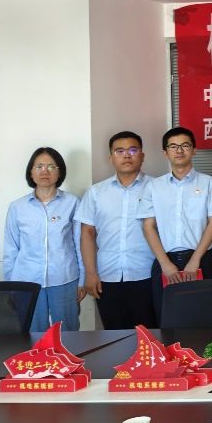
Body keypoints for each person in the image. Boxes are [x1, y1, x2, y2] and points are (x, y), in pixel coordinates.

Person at [139, 126, 212, 320]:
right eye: (173, 146)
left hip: (202, 259)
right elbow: (148, 227)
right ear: (165, 153)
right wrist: (165, 263)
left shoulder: (210, 184)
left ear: (194, 150)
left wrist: (195, 261)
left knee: (203, 316)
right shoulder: (154, 187)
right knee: (167, 317)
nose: (179, 150)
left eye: (185, 145)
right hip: (166, 261)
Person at [77, 132, 156, 328]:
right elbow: (87, 233)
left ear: (142, 155)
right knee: (114, 334)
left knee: (150, 335)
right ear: (110, 157)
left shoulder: (157, 187)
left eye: (133, 150)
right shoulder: (96, 192)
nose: (127, 155)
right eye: (119, 151)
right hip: (107, 275)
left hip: (147, 273)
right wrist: (90, 273)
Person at [3, 146, 82, 330]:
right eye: (39, 166)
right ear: (31, 172)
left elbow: (80, 244)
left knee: (67, 332)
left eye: (51, 166)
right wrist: (11, 286)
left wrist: (83, 279)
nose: (45, 171)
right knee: (33, 334)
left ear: (60, 172)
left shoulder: (72, 203)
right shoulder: (17, 207)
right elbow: (11, 249)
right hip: (27, 280)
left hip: (64, 279)